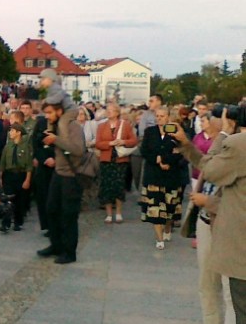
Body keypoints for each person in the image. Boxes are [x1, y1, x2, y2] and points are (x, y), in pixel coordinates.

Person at [173, 111, 243, 324]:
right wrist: (186, 144)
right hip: (208, 222)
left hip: (230, 229)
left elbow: (212, 171)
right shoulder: (225, 143)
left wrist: (209, 202)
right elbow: (206, 165)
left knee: (232, 293)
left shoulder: (238, 145)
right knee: (207, 286)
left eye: (209, 117)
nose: (204, 121)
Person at [37, 101, 86, 264]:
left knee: (68, 214)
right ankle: (56, 245)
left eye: (49, 112)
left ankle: (69, 251)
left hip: (71, 176)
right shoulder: (55, 127)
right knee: (51, 209)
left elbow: (78, 150)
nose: (47, 116)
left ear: (59, 111)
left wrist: (56, 140)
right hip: (58, 173)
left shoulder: (73, 127)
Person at [139, 107, 183, 250]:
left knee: (169, 208)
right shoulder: (149, 132)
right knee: (155, 208)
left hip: (171, 176)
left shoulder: (175, 132)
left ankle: (167, 229)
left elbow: (180, 152)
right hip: (153, 176)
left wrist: (166, 160)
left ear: (168, 117)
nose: (159, 118)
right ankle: (159, 239)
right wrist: (156, 160)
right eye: (157, 116)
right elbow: (144, 150)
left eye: (162, 116)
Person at [95, 103, 137, 224]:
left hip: (120, 160)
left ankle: (118, 212)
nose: (109, 112)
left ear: (117, 112)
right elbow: (98, 143)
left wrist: (123, 141)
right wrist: (109, 144)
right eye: (107, 110)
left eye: (112, 110)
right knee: (107, 186)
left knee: (119, 186)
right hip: (106, 159)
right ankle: (108, 213)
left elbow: (134, 141)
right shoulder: (101, 126)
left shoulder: (125, 125)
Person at [0, 123, 32, 233]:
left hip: (21, 175)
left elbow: (29, 165)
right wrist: (0, 177)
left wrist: (27, 179)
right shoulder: (8, 147)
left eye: (13, 131)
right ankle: (6, 223)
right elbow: (2, 163)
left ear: (19, 132)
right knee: (8, 199)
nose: (10, 133)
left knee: (19, 200)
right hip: (9, 175)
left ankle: (18, 222)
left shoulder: (25, 147)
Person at [32, 115, 55, 236]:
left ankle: (56, 225)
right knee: (43, 196)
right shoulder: (41, 122)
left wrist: (55, 159)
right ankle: (47, 225)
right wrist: (43, 159)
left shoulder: (61, 122)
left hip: (57, 165)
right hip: (43, 164)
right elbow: (35, 142)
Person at [38, 68, 78, 136]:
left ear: (50, 79)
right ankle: (50, 132)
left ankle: (64, 138)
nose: (41, 81)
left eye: (43, 79)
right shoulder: (50, 89)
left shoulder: (56, 87)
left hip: (70, 110)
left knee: (62, 123)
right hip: (63, 110)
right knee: (50, 118)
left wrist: (46, 100)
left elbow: (57, 99)